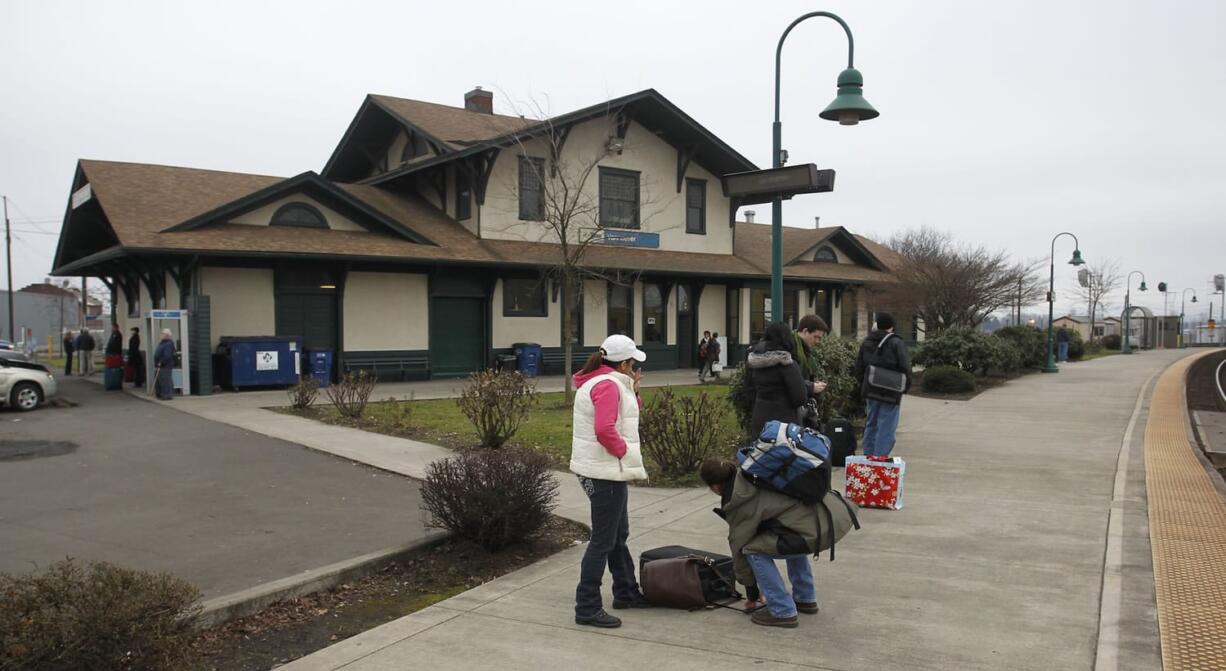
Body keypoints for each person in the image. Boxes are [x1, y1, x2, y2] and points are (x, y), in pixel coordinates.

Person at [570, 334, 651, 628]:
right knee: (604, 539)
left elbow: (623, 417)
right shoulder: (608, 385)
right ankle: (587, 606)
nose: (635, 369)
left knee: (617, 533)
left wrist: (635, 391)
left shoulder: (604, 381)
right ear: (624, 363)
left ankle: (626, 591)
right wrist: (625, 455)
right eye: (633, 364)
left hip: (600, 468)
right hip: (605, 471)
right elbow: (605, 429)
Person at [699, 457, 819, 628]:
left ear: (715, 486)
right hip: (811, 526)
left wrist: (751, 592)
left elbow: (739, 546)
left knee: (752, 550)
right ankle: (805, 598)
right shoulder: (751, 475)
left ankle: (782, 610)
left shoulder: (737, 498)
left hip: (801, 532)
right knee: (792, 536)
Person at [853, 313, 912, 460]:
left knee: (871, 422)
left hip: (871, 389)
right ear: (891, 327)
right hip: (891, 391)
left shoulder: (867, 341)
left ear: (877, 325)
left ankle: (868, 457)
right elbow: (905, 367)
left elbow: (859, 367)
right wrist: (905, 387)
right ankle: (880, 458)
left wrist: (865, 383)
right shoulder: (896, 343)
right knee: (886, 425)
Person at [745, 321, 811, 436]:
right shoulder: (788, 364)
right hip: (785, 423)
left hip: (760, 418)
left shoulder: (754, 363)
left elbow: (749, 389)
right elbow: (800, 397)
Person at [153, 329, 177, 400]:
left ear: (167, 335)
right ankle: (161, 394)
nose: (161, 335)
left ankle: (167, 395)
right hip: (160, 365)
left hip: (165, 365)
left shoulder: (168, 344)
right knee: (160, 380)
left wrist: (161, 362)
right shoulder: (163, 343)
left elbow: (167, 356)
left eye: (162, 333)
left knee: (165, 380)